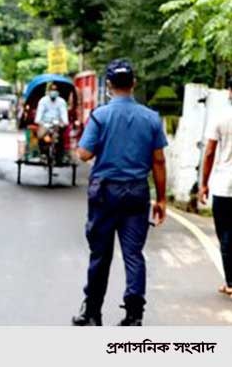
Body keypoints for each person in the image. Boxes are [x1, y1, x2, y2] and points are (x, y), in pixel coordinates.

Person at [72, 59, 168, 327]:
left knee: (100, 254)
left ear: (110, 85)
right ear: (134, 83)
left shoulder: (101, 116)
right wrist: (161, 199)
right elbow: (159, 161)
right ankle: (134, 315)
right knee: (134, 254)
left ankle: (92, 311)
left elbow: (84, 153)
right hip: (137, 193)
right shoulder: (151, 118)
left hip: (104, 194)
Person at [199, 83, 232, 298]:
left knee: (226, 233)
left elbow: (210, 152)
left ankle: (230, 282)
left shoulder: (221, 116)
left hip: (224, 185)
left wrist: (203, 183)